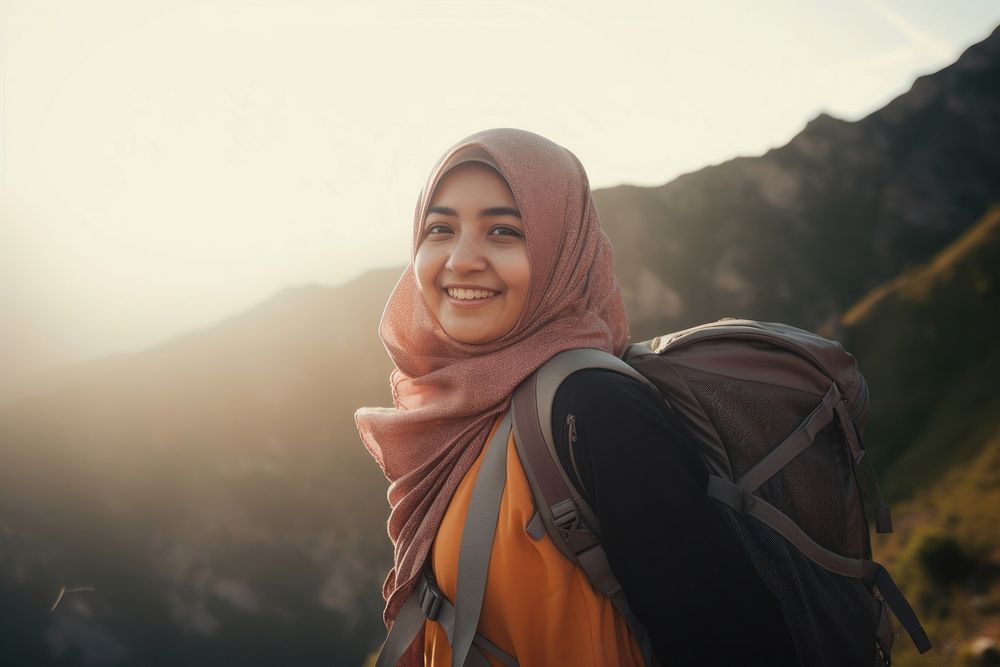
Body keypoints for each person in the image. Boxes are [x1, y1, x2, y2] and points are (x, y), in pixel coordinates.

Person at [355, 128, 797, 666]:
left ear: (561, 250)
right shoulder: (460, 414)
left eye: (503, 231)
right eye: (440, 228)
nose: (462, 259)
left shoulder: (594, 410)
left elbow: (732, 642)